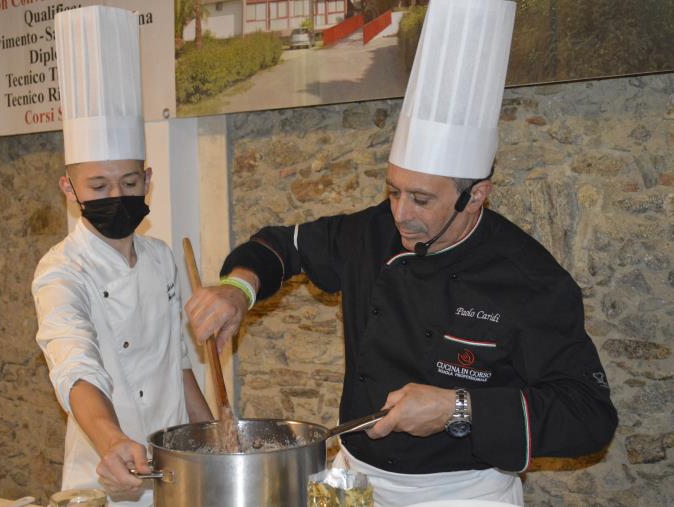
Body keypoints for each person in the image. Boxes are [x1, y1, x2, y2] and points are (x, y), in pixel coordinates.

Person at [185, 0, 617, 505]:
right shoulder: (371, 234)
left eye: (422, 199)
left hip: (464, 493)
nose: (400, 214)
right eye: (393, 191)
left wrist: (459, 408)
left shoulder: (529, 278)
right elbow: (282, 246)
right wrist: (239, 289)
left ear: (475, 195)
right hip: (357, 481)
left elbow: (589, 416)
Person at [32, 6, 212, 506]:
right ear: (70, 189)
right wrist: (113, 444)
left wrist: (214, 438)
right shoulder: (60, 270)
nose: (117, 195)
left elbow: (177, 366)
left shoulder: (160, 258)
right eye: (99, 185)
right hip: (105, 476)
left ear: (148, 181)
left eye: (130, 183)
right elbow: (74, 365)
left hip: (177, 470)